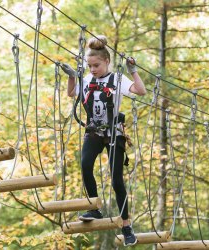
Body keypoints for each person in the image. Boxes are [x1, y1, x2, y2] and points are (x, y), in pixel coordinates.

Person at [61, 35, 146, 246]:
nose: (92, 70)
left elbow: (141, 91)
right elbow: (72, 93)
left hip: (114, 133)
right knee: (85, 164)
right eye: (89, 66)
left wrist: (133, 71)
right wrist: (73, 76)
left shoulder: (117, 79)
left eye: (96, 65)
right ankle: (94, 208)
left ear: (107, 61)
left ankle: (126, 225)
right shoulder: (87, 79)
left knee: (117, 179)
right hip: (93, 132)